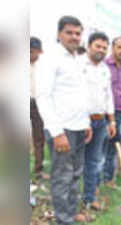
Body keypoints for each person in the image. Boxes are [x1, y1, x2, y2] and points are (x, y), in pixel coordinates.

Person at [35, 16, 93, 224]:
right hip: (62, 129)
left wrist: (86, 123)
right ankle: (63, 220)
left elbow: (80, 94)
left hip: (78, 127)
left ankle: (70, 212)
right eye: (69, 32)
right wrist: (57, 132)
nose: (74, 37)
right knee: (62, 177)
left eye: (78, 33)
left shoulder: (78, 59)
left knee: (76, 174)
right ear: (59, 34)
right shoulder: (50, 59)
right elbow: (43, 96)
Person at [81, 32, 116, 212]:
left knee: (94, 161)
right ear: (89, 46)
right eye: (98, 46)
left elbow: (107, 95)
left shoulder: (104, 69)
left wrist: (112, 121)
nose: (101, 50)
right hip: (80, 122)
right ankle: (69, 203)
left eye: (104, 47)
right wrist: (84, 121)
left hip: (100, 121)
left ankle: (89, 198)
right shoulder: (78, 65)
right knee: (73, 162)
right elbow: (77, 96)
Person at [103, 37, 121, 188]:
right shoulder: (105, 65)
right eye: (120, 47)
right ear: (112, 48)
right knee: (101, 147)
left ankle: (108, 180)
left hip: (120, 113)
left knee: (113, 147)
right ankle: (97, 182)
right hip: (106, 114)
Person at [30, 36, 49, 180]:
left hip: (38, 104)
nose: (30, 54)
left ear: (40, 52)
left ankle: (38, 170)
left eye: (33, 52)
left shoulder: (45, 66)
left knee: (39, 138)